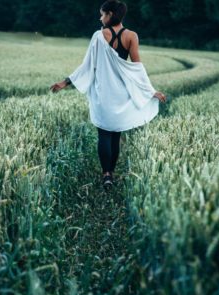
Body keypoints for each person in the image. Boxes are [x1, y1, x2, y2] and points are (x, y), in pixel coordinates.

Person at [50, 0, 167, 189]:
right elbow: (137, 69)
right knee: (115, 134)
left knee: (103, 133)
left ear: (110, 14)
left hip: (103, 94)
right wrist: (151, 91)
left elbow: (87, 65)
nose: (100, 17)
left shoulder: (98, 36)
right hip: (121, 94)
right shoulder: (131, 36)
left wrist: (65, 82)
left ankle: (106, 174)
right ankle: (110, 174)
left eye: (102, 14)